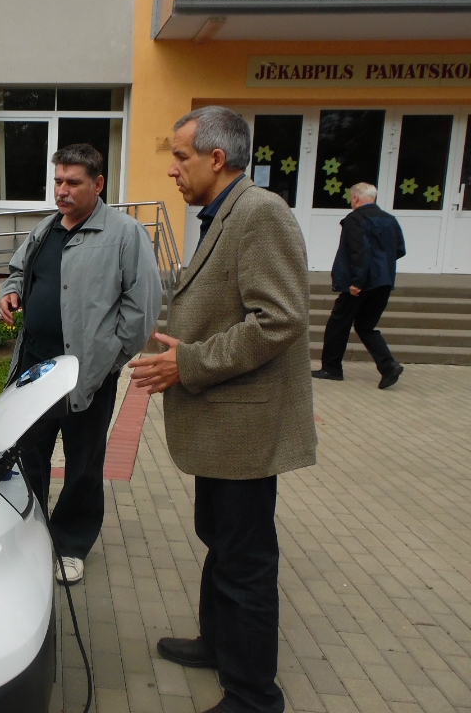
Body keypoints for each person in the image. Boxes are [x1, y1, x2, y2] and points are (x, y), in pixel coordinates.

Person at [128, 107, 316, 713]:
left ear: (216, 158)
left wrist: (191, 363)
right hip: (223, 424)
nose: (172, 170)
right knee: (222, 542)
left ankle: (254, 695)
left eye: (180, 157)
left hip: (246, 426)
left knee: (246, 561)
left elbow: (279, 319)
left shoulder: (261, 213)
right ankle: (218, 643)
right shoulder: (223, 213)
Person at [0, 143, 162, 585]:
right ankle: (30, 535)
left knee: (83, 464)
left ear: (98, 184)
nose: (63, 191)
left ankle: (70, 545)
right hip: (34, 368)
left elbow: (142, 308)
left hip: (86, 375)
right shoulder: (46, 229)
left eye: (73, 182)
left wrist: (108, 359)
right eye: (58, 181)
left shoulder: (125, 234)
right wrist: (9, 292)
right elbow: (16, 271)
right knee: (27, 455)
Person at [312, 182, 406, 389]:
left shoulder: (354, 219)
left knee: (338, 322)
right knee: (365, 326)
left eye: (351, 198)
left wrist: (357, 281)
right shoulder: (390, 220)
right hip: (384, 281)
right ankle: (388, 365)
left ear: (355, 198)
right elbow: (399, 250)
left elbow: (358, 251)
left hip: (361, 283)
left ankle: (331, 368)